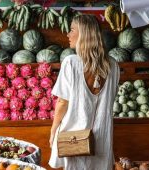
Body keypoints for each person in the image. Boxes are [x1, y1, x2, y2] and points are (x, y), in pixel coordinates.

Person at [49, 14, 120, 170]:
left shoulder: (71, 63)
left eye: (72, 29)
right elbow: (111, 98)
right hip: (102, 135)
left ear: (83, 33)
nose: (68, 34)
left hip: (74, 135)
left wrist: (54, 128)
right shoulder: (113, 65)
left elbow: (62, 102)